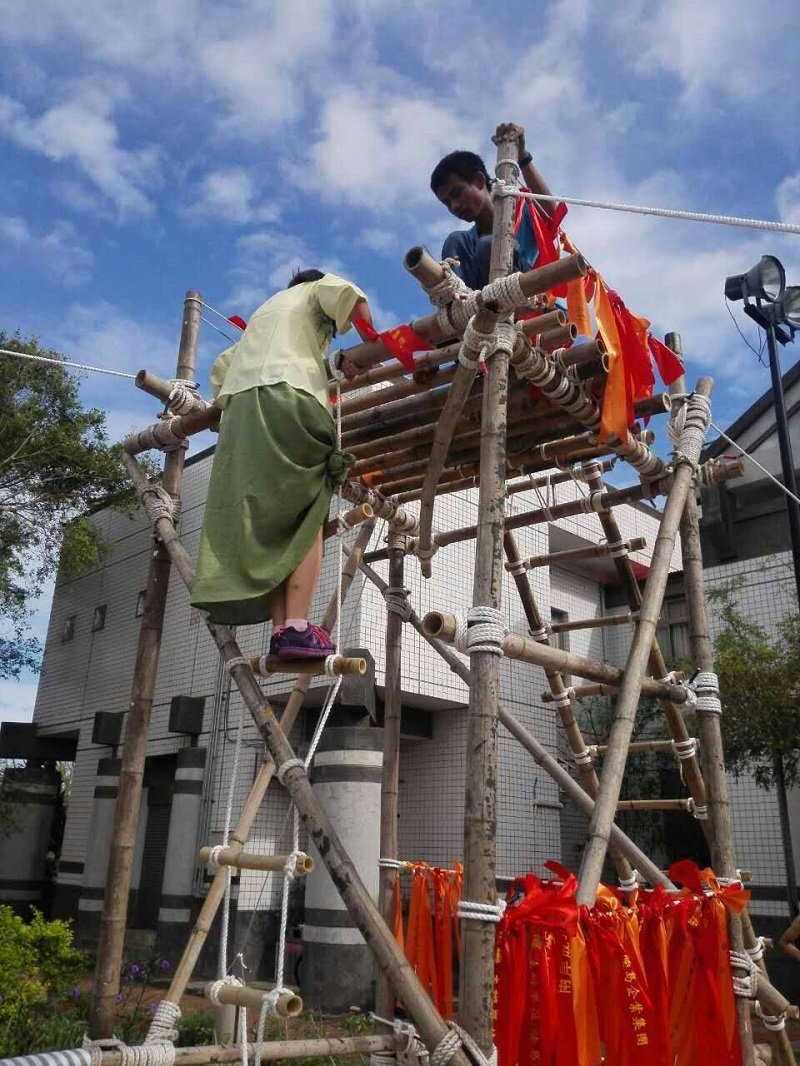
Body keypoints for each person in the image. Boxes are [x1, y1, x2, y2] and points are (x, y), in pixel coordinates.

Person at [191, 269, 372, 662]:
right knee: (306, 510)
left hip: (240, 414)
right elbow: (351, 296)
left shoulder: (263, 317)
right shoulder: (312, 289)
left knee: (274, 523)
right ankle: (299, 626)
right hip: (289, 398)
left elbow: (223, 368)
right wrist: (369, 346)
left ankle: (285, 629)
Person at [429, 122, 556, 291]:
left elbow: (550, 213)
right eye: (447, 203)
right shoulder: (465, 244)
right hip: (483, 306)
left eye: (457, 193)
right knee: (456, 239)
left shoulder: (520, 214)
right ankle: (461, 304)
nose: (454, 206)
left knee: (488, 245)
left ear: (479, 181)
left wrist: (523, 158)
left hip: (530, 294)